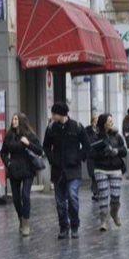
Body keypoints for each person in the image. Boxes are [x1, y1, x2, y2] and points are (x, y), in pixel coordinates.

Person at [43, 102, 90, 239]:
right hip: (58, 170)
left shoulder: (76, 127)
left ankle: (75, 225)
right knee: (60, 202)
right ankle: (64, 227)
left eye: (54, 114)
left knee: (72, 196)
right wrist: (52, 159)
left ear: (61, 114)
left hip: (73, 169)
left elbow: (87, 146)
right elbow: (46, 146)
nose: (52, 116)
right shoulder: (51, 128)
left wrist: (78, 157)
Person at [0, 113, 43, 236]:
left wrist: (28, 143)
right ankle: (20, 218)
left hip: (28, 169)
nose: (13, 121)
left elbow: (39, 150)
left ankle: (26, 222)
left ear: (22, 121)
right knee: (16, 198)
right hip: (14, 169)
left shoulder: (30, 135)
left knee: (25, 195)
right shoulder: (9, 136)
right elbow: (3, 152)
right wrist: (8, 163)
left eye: (16, 119)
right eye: (13, 119)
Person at [90, 114, 127, 231]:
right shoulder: (97, 137)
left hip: (115, 169)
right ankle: (103, 220)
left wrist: (116, 151)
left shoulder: (117, 136)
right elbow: (91, 153)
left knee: (116, 196)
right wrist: (103, 152)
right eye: (109, 121)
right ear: (103, 123)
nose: (111, 122)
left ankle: (114, 213)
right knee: (103, 194)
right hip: (100, 169)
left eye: (112, 120)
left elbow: (124, 151)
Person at [85, 116, 99, 202]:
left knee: (97, 175)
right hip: (91, 156)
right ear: (92, 122)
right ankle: (95, 192)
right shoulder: (88, 131)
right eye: (95, 121)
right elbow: (87, 142)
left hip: (98, 156)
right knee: (93, 175)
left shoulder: (99, 130)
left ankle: (97, 192)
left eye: (97, 121)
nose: (96, 123)